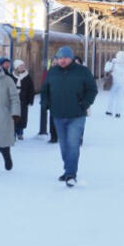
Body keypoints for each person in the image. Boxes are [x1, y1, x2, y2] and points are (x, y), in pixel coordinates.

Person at [40, 46, 98, 187]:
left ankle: (71, 174)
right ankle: (68, 170)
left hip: (76, 115)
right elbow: (44, 90)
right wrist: (46, 104)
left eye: (65, 58)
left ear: (71, 58)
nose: (62, 61)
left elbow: (92, 89)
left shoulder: (82, 72)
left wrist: (83, 104)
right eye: (60, 58)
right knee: (64, 145)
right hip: (58, 114)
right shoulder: (52, 72)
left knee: (73, 144)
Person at [12, 59, 35, 140]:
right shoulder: (12, 76)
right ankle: (12, 134)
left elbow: (31, 89)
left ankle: (20, 133)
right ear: (16, 67)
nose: (22, 67)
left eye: (23, 65)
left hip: (23, 101)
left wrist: (30, 100)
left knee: (22, 118)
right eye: (20, 66)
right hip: (13, 101)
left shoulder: (27, 77)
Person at [104, 51, 124, 118]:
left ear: (117, 55)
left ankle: (109, 111)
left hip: (114, 82)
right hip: (122, 82)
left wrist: (109, 62)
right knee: (120, 98)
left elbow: (106, 69)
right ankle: (118, 113)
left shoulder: (113, 62)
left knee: (111, 96)